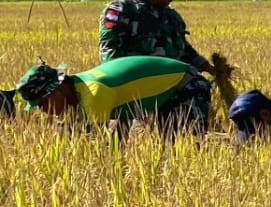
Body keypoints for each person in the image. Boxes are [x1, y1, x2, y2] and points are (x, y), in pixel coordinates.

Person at [15, 56, 211, 142]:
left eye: (43, 103)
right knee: (154, 148)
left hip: (186, 86)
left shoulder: (94, 93)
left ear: (58, 89)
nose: (43, 110)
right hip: (158, 96)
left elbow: (96, 146)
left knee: (183, 147)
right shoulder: (78, 90)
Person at [99, 0, 215, 75]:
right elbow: (110, 52)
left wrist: (208, 68)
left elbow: (184, 50)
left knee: (199, 86)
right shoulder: (122, 10)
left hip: (170, 79)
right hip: (135, 79)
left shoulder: (171, 16)